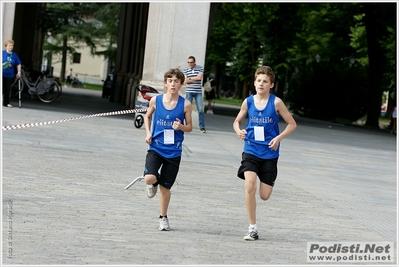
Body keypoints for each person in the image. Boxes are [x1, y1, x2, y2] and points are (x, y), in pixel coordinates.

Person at [233, 66, 297, 241]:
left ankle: (266, 179)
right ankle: (252, 228)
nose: (261, 84)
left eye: (265, 81)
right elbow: (237, 121)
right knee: (250, 186)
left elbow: (292, 124)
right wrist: (239, 131)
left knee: (264, 195)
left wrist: (278, 138)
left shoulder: (276, 103)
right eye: (259, 80)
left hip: (269, 153)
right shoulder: (248, 102)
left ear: (271, 85)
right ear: (254, 83)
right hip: (251, 149)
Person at [143, 68, 193, 231]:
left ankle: (163, 217)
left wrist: (181, 126)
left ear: (181, 84)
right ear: (165, 83)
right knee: (149, 178)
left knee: (166, 188)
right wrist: (148, 133)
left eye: (176, 81)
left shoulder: (185, 104)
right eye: (170, 81)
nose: (173, 84)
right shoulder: (155, 101)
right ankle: (153, 183)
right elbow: (147, 116)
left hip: (173, 152)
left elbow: (190, 127)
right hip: (156, 147)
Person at [183, 56, 206, 133]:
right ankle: (185, 125)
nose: (189, 64)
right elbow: (185, 81)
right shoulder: (186, 69)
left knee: (200, 109)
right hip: (189, 91)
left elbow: (199, 78)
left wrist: (190, 78)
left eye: (191, 62)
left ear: (194, 62)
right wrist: (193, 78)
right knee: (187, 109)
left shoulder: (200, 68)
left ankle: (202, 127)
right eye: (188, 62)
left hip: (198, 92)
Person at [2, 39, 22, 108]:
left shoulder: (14, 55)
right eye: (9, 45)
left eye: (12, 46)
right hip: (2, 73)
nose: (11, 47)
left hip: (10, 74)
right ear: (6, 46)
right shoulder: (2, 53)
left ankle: (6, 102)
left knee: (7, 88)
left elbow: (18, 64)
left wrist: (19, 72)